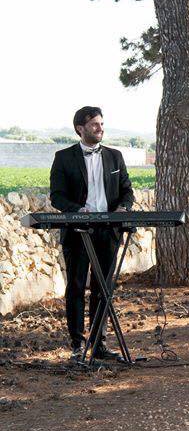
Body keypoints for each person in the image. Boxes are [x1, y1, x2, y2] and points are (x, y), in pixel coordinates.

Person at [49, 107, 134, 362]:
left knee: (103, 289)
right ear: (80, 128)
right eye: (95, 124)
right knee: (76, 287)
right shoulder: (63, 157)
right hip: (77, 231)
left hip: (108, 232)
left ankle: (99, 344)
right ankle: (77, 346)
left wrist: (123, 208)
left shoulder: (115, 156)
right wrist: (77, 210)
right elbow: (57, 196)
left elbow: (127, 191)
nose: (100, 128)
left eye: (101, 124)